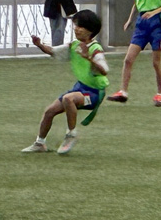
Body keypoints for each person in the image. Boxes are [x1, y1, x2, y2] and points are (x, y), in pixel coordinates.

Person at [22, 9, 109, 155]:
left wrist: (88, 58)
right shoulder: (74, 45)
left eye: (80, 26)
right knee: (49, 111)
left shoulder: (95, 49)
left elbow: (104, 70)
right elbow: (53, 51)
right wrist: (39, 45)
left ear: (90, 31)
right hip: (80, 87)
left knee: (69, 99)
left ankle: (71, 135)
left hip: (94, 93)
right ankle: (40, 143)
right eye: (76, 25)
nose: (76, 29)